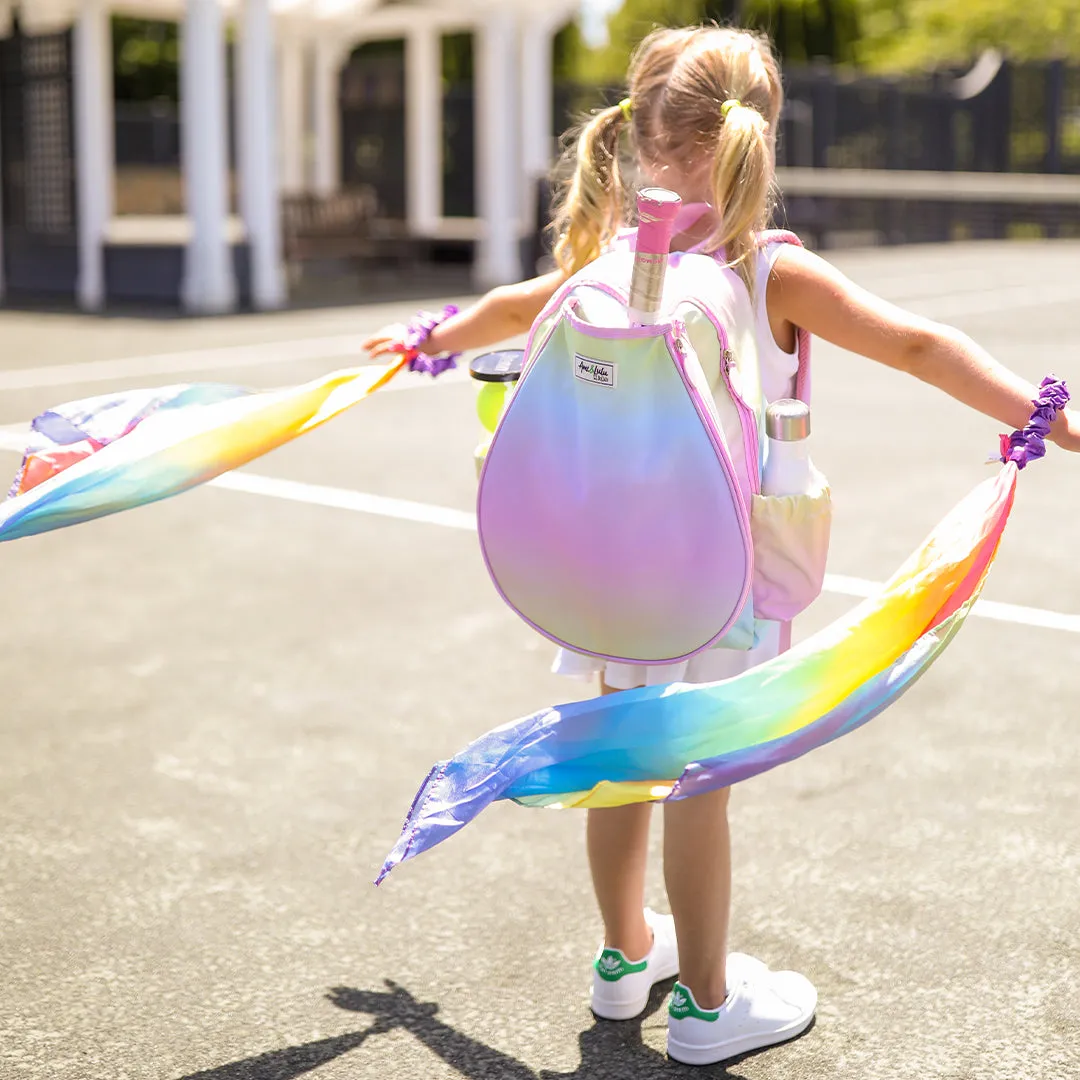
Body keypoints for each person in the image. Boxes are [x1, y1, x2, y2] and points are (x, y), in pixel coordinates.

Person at [363, 24, 1080, 1067]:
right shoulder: (770, 269)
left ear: (641, 133)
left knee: (617, 759)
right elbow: (919, 344)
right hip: (716, 577)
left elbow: (518, 310)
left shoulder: (616, 255)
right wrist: (1042, 408)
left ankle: (624, 961)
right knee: (699, 775)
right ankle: (705, 1005)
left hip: (602, 562)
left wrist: (432, 337)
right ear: (761, 138)